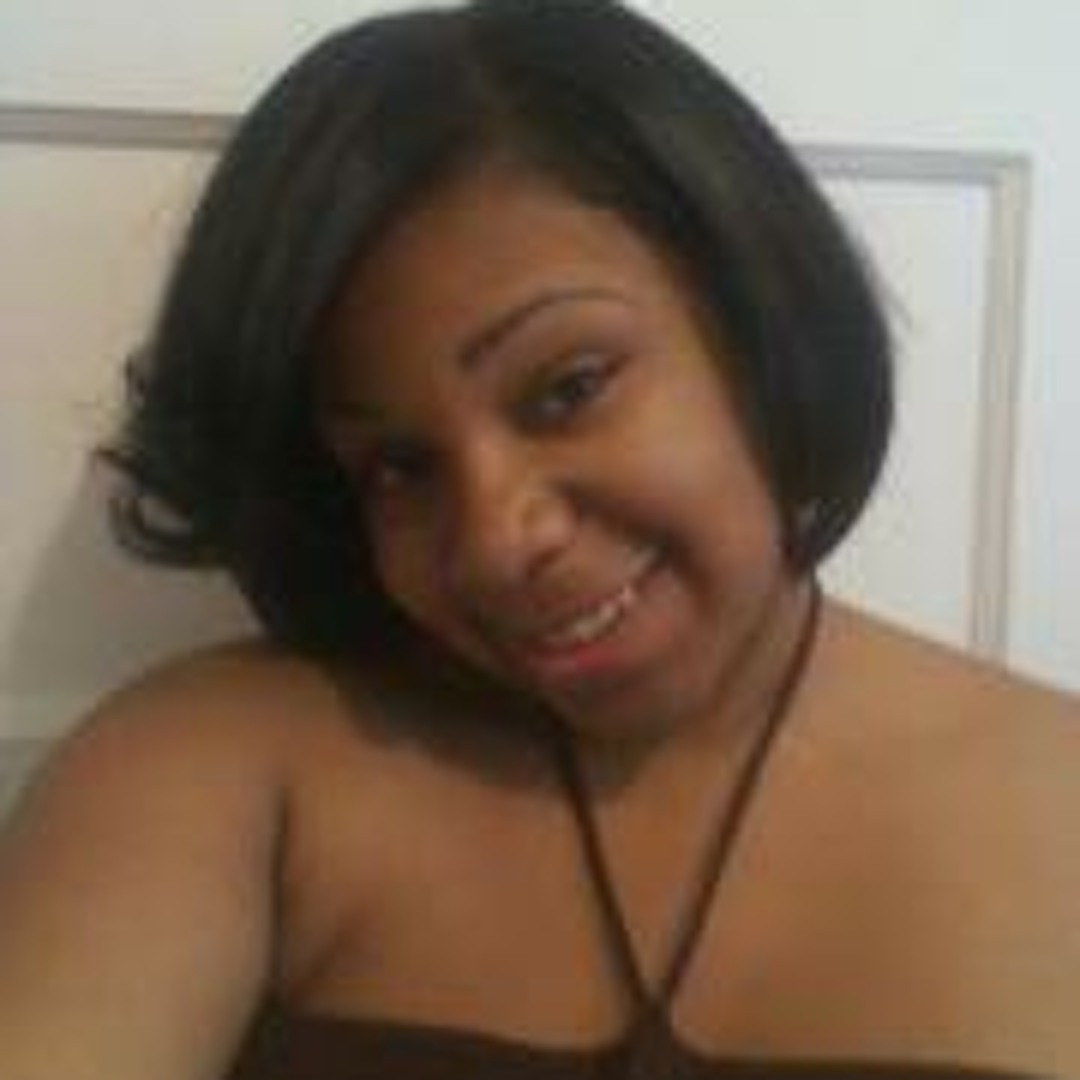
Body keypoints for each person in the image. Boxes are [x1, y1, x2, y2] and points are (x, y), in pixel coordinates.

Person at [2, 0, 1079, 1077]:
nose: (493, 544)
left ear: (760, 320)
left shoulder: (1053, 804)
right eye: (399, 467)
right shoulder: (217, 775)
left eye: (568, 387)